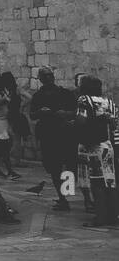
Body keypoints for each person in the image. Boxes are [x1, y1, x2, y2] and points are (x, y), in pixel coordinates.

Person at [30, 67, 79, 210]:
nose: (48, 78)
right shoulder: (38, 96)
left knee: (69, 164)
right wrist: (40, 111)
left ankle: (67, 192)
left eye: (49, 75)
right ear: (40, 79)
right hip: (48, 135)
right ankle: (63, 198)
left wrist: (65, 113)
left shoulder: (65, 93)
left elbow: (75, 111)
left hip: (65, 134)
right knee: (54, 167)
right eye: (44, 76)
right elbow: (32, 114)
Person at [75, 75, 118, 226]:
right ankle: (113, 216)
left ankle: (100, 217)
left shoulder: (84, 100)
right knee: (109, 182)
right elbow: (114, 125)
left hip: (91, 147)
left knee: (96, 183)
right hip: (106, 146)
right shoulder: (109, 102)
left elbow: (81, 121)